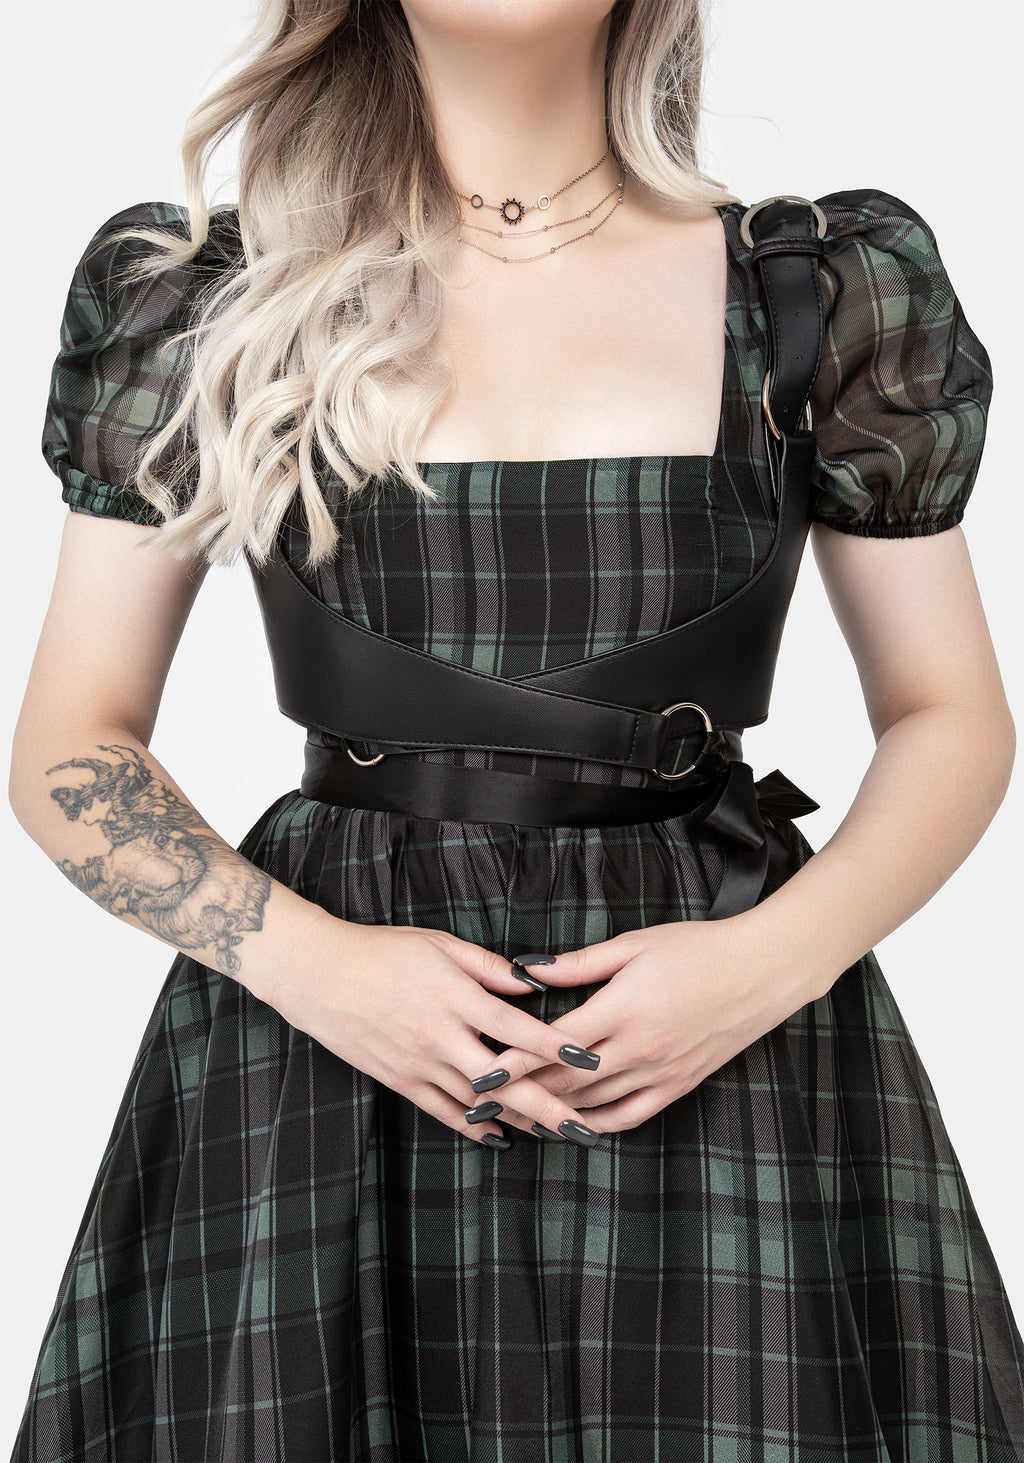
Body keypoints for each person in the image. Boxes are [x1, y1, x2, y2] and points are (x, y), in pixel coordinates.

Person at [8, 0, 1024, 1458]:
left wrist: (765, 966)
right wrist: (317, 970)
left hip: (718, 1034)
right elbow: (72, 745)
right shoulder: (205, 296)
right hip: (325, 1041)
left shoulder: (815, 291)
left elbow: (950, 715)